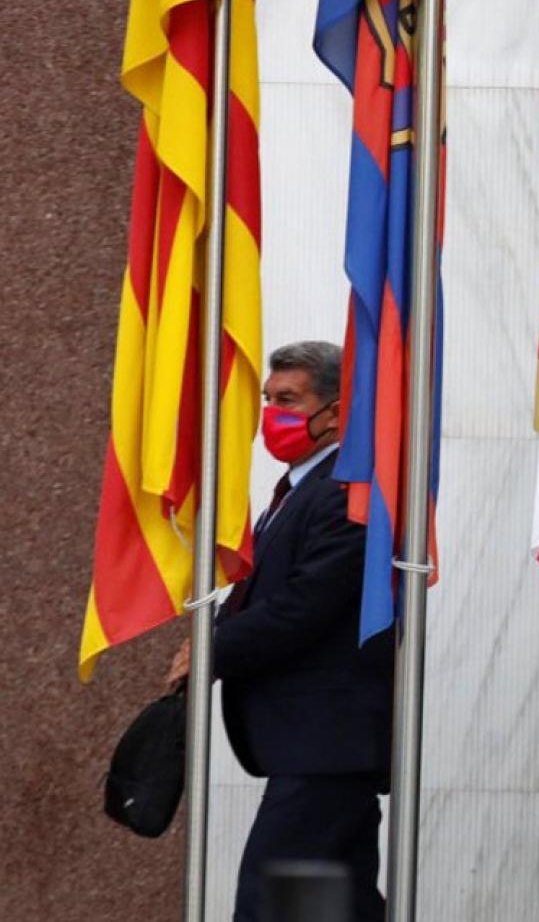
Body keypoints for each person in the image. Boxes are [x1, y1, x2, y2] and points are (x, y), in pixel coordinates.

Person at [166, 340, 392, 922]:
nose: (272, 415)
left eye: (288, 400)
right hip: (316, 747)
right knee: (334, 906)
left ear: (338, 412)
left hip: (326, 744)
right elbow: (262, 592)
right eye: (269, 400)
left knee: (271, 905)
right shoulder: (298, 490)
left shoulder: (350, 493)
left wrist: (214, 649)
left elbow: (304, 605)